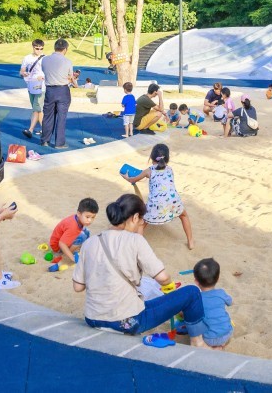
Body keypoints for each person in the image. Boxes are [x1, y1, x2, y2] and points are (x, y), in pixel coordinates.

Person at [71, 193, 207, 346]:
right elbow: (162, 277)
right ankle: (198, 342)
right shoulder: (135, 240)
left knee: (145, 303)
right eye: (141, 219)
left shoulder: (90, 242)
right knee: (192, 292)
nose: (141, 223)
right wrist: (168, 284)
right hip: (127, 321)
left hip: (93, 318)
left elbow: (78, 287)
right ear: (135, 217)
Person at [122, 144, 194, 249]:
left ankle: (139, 248)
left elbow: (133, 180)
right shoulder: (170, 169)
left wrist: (126, 177)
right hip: (173, 201)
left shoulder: (149, 171)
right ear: (167, 158)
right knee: (184, 216)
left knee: (141, 224)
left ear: (151, 157)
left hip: (156, 204)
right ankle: (191, 242)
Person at [41, 38, 74, 149]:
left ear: (55, 48)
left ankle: (45, 140)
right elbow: (70, 77)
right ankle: (59, 143)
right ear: (65, 49)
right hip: (62, 90)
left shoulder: (45, 60)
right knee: (61, 117)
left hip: (50, 90)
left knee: (48, 115)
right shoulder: (67, 61)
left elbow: (45, 71)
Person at [194, 257, 233, 349]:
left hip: (208, 338)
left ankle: (213, 347)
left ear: (196, 281)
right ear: (218, 278)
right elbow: (230, 302)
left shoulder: (197, 298)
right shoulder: (221, 293)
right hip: (227, 334)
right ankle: (221, 345)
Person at [49, 197, 98, 266]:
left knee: (86, 232)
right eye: (87, 217)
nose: (90, 220)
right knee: (82, 236)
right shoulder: (73, 227)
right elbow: (61, 243)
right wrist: (73, 258)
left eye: (93, 217)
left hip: (61, 239)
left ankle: (81, 249)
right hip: (57, 246)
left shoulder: (77, 218)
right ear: (79, 213)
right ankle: (67, 255)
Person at [19, 39, 46, 140]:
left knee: (37, 108)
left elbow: (48, 72)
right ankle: (44, 130)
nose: (39, 50)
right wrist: (24, 73)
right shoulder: (27, 58)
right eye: (37, 48)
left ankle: (30, 129)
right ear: (33, 47)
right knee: (38, 109)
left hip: (41, 86)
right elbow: (21, 71)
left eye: (41, 48)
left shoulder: (45, 58)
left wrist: (43, 77)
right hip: (31, 84)